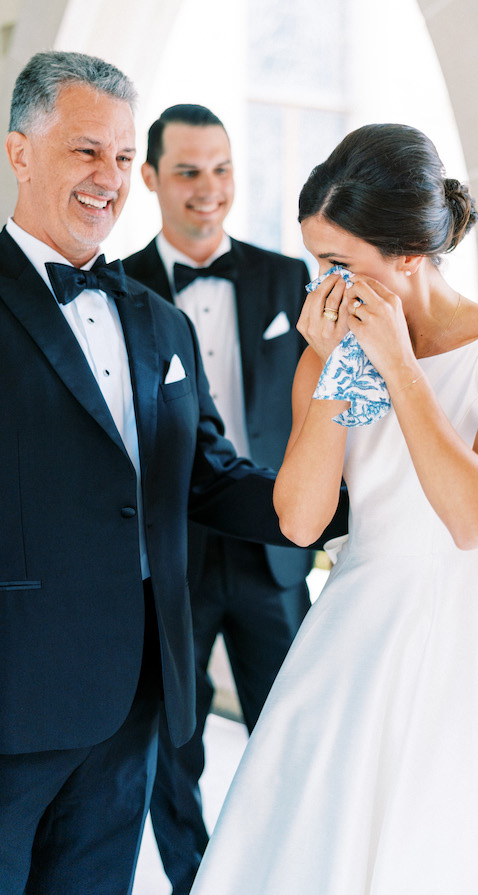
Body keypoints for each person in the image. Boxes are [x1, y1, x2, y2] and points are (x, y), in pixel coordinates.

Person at [190, 123, 478, 894]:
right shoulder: (327, 351)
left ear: (407, 254)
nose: (324, 283)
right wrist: (339, 371)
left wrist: (399, 366)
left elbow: (476, 520)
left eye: (338, 261)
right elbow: (302, 521)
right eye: (317, 261)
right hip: (355, 634)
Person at [0, 52, 346, 895]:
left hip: (140, 693)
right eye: (87, 151)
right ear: (18, 152)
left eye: (121, 158)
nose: (108, 178)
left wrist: (334, 500)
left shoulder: (157, 319)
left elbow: (207, 474)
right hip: (14, 698)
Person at [123, 104, 314, 894]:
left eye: (223, 169)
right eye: (189, 172)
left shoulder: (287, 277)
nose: (210, 190)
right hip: (174, 553)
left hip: (275, 545)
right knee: (174, 738)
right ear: (151, 179)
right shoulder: (119, 289)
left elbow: (321, 408)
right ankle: (192, 877)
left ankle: (285, 869)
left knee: (293, 728)